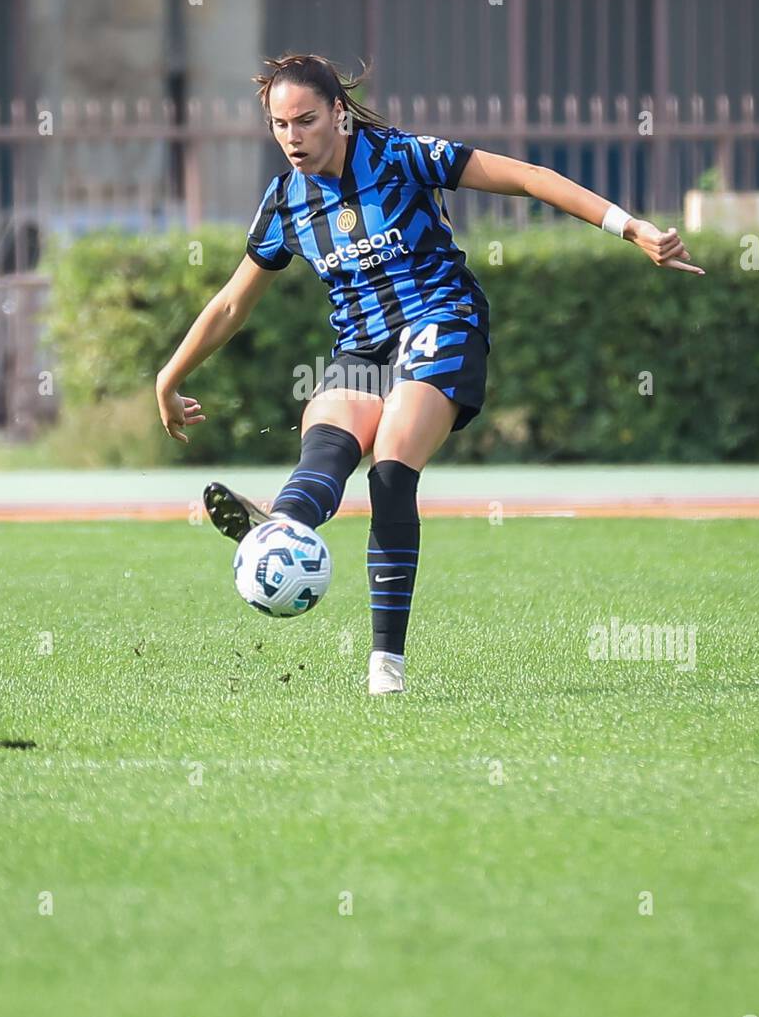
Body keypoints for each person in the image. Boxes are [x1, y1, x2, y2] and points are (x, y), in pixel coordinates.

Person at [156, 53, 703, 694]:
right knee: (328, 445)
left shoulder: (400, 156)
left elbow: (527, 177)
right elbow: (230, 303)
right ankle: (283, 523)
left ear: (338, 112)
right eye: (280, 125)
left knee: (390, 467)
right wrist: (168, 378)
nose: (293, 137)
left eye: (306, 120)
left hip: (443, 322)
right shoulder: (285, 203)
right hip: (362, 349)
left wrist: (630, 227)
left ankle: (385, 662)